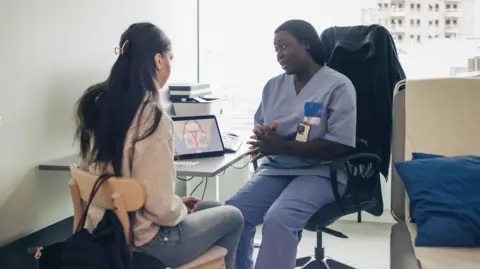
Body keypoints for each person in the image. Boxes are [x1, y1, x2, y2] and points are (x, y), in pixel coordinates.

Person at [75, 22, 243, 269]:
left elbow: (134, 188)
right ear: (158, 60)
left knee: (214, 207)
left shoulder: (99, 104)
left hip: (104, 230)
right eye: (170, 57)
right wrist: (174, 207)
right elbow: (159, 207)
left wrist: (175, 202)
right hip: (145, 242)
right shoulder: (152, 118)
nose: (170, 64)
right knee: (233, 215)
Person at [226, 20, 357, 269]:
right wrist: (264, 136)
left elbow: (340, 144)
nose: (279, 54)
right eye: (276, 49)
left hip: (321, 171)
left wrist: (282, 147)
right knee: (233, 214)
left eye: (284, 46)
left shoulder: (338, 86)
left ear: (306, 44)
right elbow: (261, 124)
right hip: (277, 169)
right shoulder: (273, 86)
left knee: (278, 219)